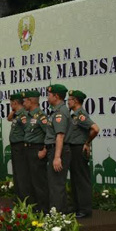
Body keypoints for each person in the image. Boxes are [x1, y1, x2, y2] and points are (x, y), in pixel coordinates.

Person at [67, 90, 100, 218]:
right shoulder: (74, 115)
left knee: (81, 179)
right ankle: (76, 207)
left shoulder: (80, 115)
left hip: (78, 148)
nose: (68, 102)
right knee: (75, 179)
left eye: (69, 100)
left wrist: (87, 143)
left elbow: (95, 129)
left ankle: (85, 209)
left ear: (75, 101)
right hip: (73, 148)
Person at [45, 84, 73, 213]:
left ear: (56, 96)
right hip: (55, 150)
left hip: (58, 151)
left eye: (49, 95)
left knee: (56, 185)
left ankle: (56, 216)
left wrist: (57, 157)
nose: (47, 97)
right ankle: (62, 214)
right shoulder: (57, 111)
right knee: (56, 185)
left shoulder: (60, 113)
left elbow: (60, 136)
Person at [23, 90, 49, 212]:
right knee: (29, 181)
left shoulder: (41, 116)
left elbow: (49, 134)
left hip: (37, 150)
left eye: (25, 101)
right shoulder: (28, 116)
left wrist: (44, 150)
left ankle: (43, 209)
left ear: (31, 101)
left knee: (39, 182)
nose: (23, 104)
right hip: (27, 149)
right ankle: (33, 207)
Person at [7, 93, 29, 202]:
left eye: (11, 103)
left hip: (21, 147)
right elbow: (9, 118)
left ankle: (23, 198)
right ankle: (18, 196)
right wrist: (15, 110)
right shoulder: (17, 114)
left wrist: (19, 109)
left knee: (21, 174)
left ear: (15, 102)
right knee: (16, 173)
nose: (10, 105)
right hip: (15, 147)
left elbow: (28, 130)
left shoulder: (23, 114)